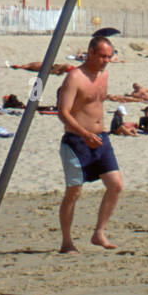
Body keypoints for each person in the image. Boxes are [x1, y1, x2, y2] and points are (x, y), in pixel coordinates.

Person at [56, 36, 123, 252]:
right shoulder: (74, 77)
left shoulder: (104, 75)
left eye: (109, 57)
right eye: (102, 56)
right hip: (77, 141)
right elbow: (63, 113)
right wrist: (84, 134)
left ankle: (99, 233)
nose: (106, 60)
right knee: (73, 192)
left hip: (101, 138)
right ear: (91, 53)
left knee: (116, 185)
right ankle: (67, 242)